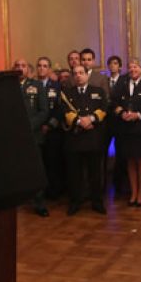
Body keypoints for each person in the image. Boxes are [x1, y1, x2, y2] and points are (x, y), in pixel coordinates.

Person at [61, 65, 108, 215]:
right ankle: (75, 202)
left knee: (95, 173)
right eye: (75, 74)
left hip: (93, 138)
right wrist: (80, 122)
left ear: (87, 75)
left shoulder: (98, 91)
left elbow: (103, 108)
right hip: (75, 139)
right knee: (75, 174)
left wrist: (91, 119)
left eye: (81, 73)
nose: (78, 76)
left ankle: (97, 202)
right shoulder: (67, 93)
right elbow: (65, 111)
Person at [111, 59, 141, 206]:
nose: (133, 70)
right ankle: (133, 193)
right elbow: (115, 103)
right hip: (126, 130)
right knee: (130, 160)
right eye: (130, 68)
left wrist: (138, 115)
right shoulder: (122, 84)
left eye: (135, 67)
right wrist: (122, 113)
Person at [15, 59, 49, 216]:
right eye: (17, 66)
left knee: (36, 169)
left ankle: (39, 203)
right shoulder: (10, 86)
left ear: (28, 70)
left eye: (23, 66)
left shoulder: (37, 86)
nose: (20, 68)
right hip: (15, 136)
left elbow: (44, 111)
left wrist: (29, 126)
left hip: (33, 134)